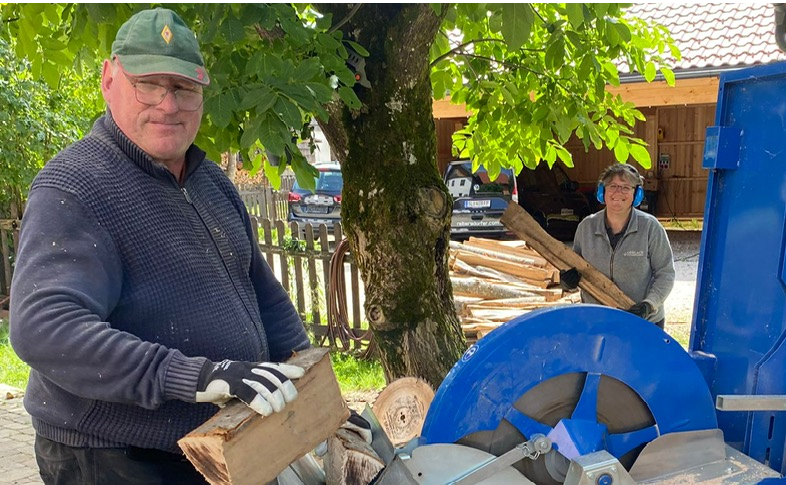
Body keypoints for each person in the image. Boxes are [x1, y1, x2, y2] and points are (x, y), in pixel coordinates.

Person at [9, 8, 367, 485]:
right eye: (149, 84)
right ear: (108, 79)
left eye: (183, 88)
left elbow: (263, 297)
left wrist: (322, 403)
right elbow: (44, 329)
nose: (168, 104)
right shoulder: (74, 186)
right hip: (114, 459)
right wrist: (196, 376)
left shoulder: (210, 181)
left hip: (218, 444)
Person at [559, 163, 675, 329]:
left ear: (637, 194)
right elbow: (572, 267)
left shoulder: (650, 227)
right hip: (597, 320)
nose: (618, 192)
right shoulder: (586, 227)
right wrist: (566, 282)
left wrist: (649, 305)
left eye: (626, 187)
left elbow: (666, 274)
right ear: (602, 192)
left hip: (643, 321)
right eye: (612, 186)